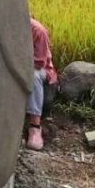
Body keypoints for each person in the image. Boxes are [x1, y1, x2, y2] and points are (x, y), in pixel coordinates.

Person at [26, 17, 57, 150]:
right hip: (20, 66)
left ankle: (35, 126)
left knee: (33, 75)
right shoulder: (8, 28)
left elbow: (39, 63)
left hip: (41, 71)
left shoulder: (38, 31)